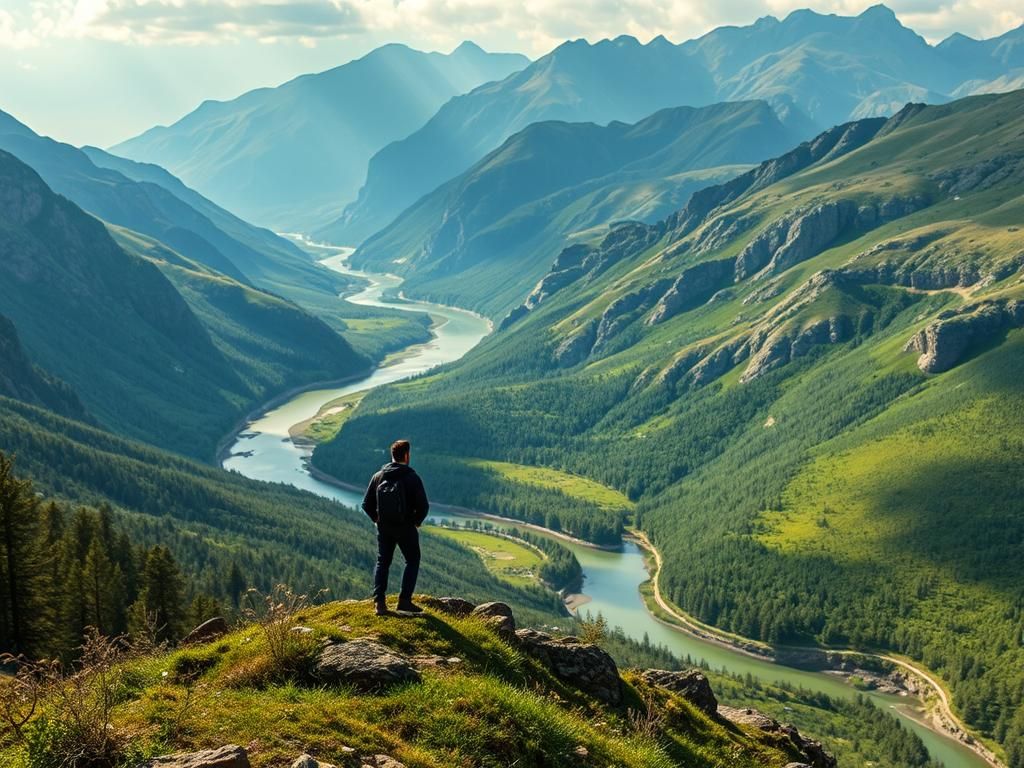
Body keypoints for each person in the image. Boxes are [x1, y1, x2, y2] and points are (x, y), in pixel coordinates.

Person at [362, 439, 430, 616]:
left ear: (392, 455)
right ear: (406, 456)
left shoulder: (378, 476)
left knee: (383, 561)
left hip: (384, 528)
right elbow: (423, 506)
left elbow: (366, 504)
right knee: (412, 560)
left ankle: (379, 603)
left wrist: (377, 519)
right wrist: (416, 521)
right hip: (406, 526)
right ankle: (404, 601)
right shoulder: (412, 477)